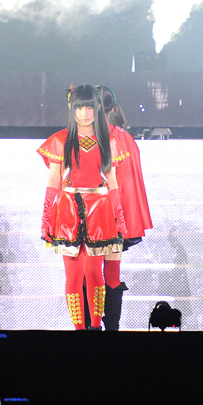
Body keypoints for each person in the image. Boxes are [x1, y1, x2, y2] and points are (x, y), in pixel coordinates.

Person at [38, 84, 127, 329]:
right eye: (79, 107)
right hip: (68, 212)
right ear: (71, 108)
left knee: (95, 272)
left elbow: (113, 183)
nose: (84, 113)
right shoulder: (59, 140)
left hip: (100, 211)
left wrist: (119, 217)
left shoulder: (109, 141)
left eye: (89, 107)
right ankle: (79, 331)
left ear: (97, 108)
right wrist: (45, 218)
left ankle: (95, 328)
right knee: (74, 275)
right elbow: (53, 182)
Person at [98, 86, 153, 330]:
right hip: (115, 217)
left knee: (89, 275)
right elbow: (131, 185)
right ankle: (111, 331)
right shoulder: (125, 138)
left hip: (95, 215)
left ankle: (90, 329)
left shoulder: (95, 138)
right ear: (112, 109)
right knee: (111, 274)